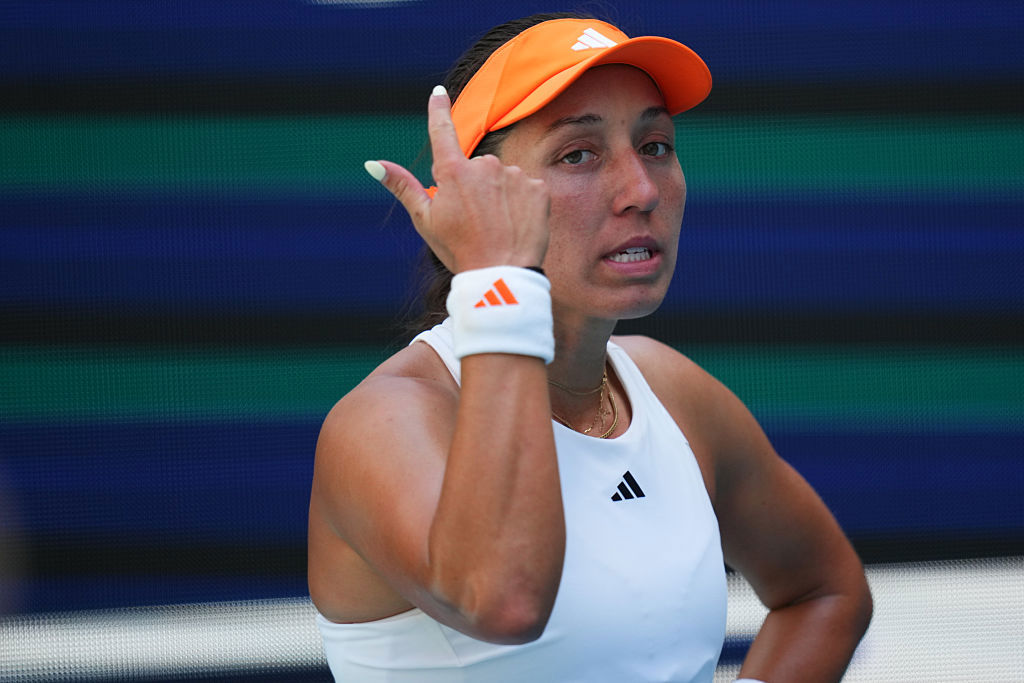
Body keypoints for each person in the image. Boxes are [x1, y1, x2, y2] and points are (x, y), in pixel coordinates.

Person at [308, 12, 872, 682]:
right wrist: (499, 281)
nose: (640, 191)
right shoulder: (383, 422)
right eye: (578, 154)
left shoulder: (670, 389)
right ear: (475, 198)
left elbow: (826, 593)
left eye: (656, 144)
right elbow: (505, 599)